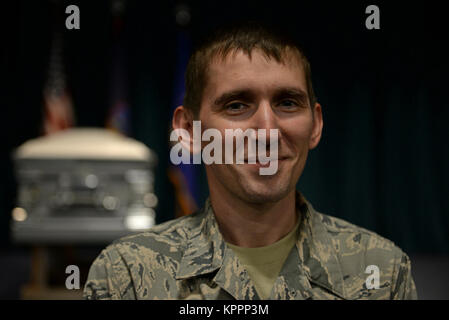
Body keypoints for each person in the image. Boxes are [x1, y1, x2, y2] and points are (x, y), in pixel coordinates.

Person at [83, 22, 417, 300]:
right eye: (237, 105)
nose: (267, 130)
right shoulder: (125, 275)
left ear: (315, 126)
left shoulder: (381, 272)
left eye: (287, 103)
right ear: (188, 131)